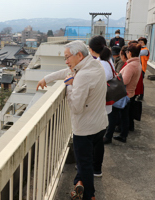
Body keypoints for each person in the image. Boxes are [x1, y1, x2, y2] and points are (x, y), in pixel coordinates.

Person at [36, 40, 108, 200]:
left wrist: (69, 86)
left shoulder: (82, 75)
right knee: (86, 161)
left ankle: (90, 196)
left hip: (85, 129)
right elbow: (67, 72)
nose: (66, 61)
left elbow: (76, 107)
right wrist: (47, 78)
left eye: (67, 57)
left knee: (84, 164)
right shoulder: (94, 65)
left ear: (79, 55)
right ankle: (78, 183)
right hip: (100, 124)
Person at [104, 44, 142, 143]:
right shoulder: (137, 64)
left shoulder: (131, 65)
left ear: (129, 53)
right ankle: (123, 135)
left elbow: (124, 81)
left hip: (122, 94)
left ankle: (108, 137)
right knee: (125, 116)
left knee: (112, 117)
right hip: (129, 93)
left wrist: (117, 76)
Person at [88, 35, 113, 178]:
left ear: (91, 50)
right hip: (105, 106)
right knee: (98, 139)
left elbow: (94, 83)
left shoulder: (99, 63)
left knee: (95, 140)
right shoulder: (108, 60)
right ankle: (96, 168)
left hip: (99, 106)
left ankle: (96, 168)